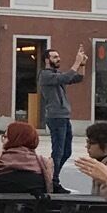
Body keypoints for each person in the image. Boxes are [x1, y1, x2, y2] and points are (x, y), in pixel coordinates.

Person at [38, 48, 87, 189]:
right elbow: (66, 77)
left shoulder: (56, 74)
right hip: (56, 117)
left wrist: (82, 64)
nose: (58, 59)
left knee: (66, 151)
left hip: (64, 116)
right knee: (58, 151)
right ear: (47, 60)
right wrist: (76, 62)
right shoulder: (45, 75)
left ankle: (53, 176)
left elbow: (77, 78)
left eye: (58, 56)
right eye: (55, 57)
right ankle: (53, 181)